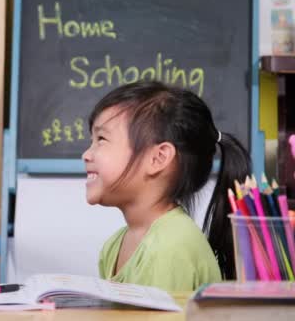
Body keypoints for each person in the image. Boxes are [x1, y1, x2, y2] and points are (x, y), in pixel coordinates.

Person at [82, 81, 251, 291]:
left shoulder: (170, 247)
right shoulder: (114, 246)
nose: (86, 154)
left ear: (158, 158)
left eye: (101, 139)